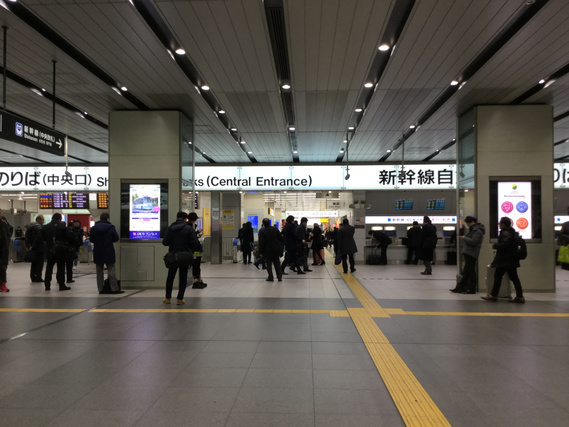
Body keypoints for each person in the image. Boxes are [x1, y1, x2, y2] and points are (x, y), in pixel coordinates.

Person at [482, 217, 525, 303]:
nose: (499, 225)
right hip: (512, 259)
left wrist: (496, 245)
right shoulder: (513, 232)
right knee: (514, 278)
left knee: (498, 276)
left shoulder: (505, 233)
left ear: (503, 224)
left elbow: (506, 244)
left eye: (500, 223)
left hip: (505, 260)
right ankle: (520, 296)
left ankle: (494, 295)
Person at [162, 211, 201, 304]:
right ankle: (180, 299)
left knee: (170, 276)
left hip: (173, 255)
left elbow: (165, 242)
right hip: (185, 255)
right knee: (183, 276)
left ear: (176, 217)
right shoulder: (189, 229)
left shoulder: (170, 228)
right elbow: (195, 243)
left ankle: (168, 298)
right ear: (185, 219)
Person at [37, 213, 73, 291]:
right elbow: (69, 237)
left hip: (50, 249)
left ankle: (47, 285)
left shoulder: (45, 227)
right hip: (61, 249)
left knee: (49, 267)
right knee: (61, 267)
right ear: (60, 219)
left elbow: (41, 238)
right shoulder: (62, 226)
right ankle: (61, 285)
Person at [89, 213, 123, 295]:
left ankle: (100, 289)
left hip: (98, 251)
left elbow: (91, 239)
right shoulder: (111, 227)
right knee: (111, 270)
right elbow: (116, 238)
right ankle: (114, 288)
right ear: (107, 218)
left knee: (99, 271)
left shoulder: (94, 228)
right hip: (108, 250)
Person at [450, 216, 485, 294]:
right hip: (469, 252)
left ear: (472, 222)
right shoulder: (474, 230)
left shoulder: (477, 231)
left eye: (467, 223)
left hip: (471, 253)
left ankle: (471, 289)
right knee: (466, 271)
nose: (467, 225)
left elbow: (474, 241)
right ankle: (460, 287)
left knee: (471, 271)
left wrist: (464, 238)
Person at [258, 217, 284, 282]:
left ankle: (270, 277)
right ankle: (279, 277)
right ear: (269, 223)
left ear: (263, 224)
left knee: (268, 264)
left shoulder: (262, 231)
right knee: (277, 263)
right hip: (275, 249)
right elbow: (281, 238)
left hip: (267, 250)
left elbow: (261, 242)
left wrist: (260, 251)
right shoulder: (275, 229)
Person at [188, 212, 207, 289]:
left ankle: (199, 280)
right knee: (196, 265)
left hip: (196, 249)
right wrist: (197, 233)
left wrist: (197, 235)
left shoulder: (192, 226)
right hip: (194, 249)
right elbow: (191, 237)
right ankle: (196, 281)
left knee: (197, 265)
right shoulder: (189, 227)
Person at [25, 215, 45, 283]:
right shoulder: (39, 228)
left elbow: (26, 237)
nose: (43, 221)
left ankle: (33, 277)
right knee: (39, 264)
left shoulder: (29, 227)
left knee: (33, 263)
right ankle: (38, 277)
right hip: (39, 248)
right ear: (38, 220)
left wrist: (29, 246)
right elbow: (39, 238)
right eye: (42, 220)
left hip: (32, 248)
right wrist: (33, 246)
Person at [0, 210, 11, 292]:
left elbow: (7, 236)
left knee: (2, 267)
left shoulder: (3, 224)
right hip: (3, 249)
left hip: (3, 250)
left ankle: (2, 284)